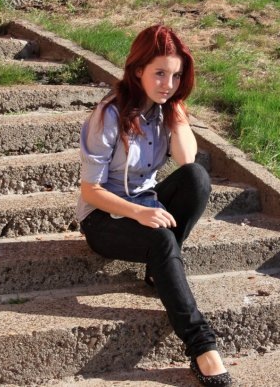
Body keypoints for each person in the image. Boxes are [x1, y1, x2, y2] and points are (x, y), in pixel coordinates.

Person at [76, 25, 233, 387]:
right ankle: (202, 347)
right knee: (162, 240)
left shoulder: (165, 110)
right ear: (137, 71)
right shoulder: (108, 115)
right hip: (104, 218)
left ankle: (159, 269)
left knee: (197, 178)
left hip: (146, 206)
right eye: (160, 73)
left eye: (176, 76)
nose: (168, 84)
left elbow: (186, 160)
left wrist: (176, 112)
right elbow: (90, 191)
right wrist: (139, 212)